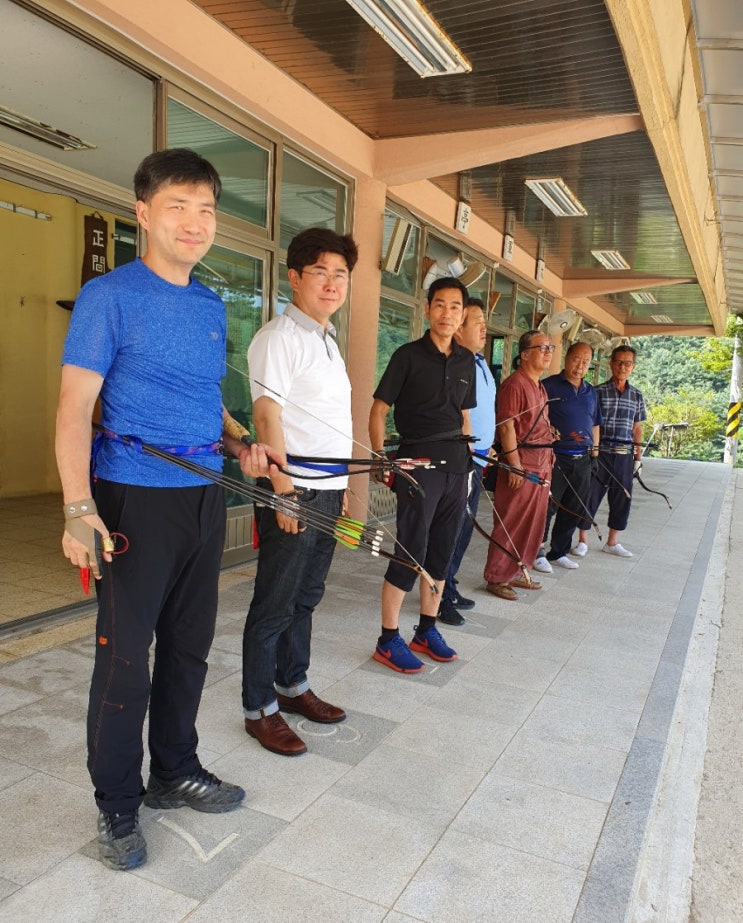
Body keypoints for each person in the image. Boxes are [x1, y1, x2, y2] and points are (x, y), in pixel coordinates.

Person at [55, 149, 277, 872]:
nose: (194, 222)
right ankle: (116, 805)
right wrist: (76, 506)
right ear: (144, 213)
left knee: (189, 645)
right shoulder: (108, 296)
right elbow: (72, 408)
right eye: (178, 206)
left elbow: (202, 398)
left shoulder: (210, 306)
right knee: (125, 662)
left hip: (202, 494)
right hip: (130, 498)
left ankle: (173, 769)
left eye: (206, 209)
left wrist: (242, 443)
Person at [242, 228, 356, 756]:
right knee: (275, 603)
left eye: (341, 274)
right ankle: (258, 707)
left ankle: (293, 685)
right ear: (295, 277)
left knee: (306, 598)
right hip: (295, 492)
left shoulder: (326, 339)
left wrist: (344, 487)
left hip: (327, 490)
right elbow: (267, 413)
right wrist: (283, 490)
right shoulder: (278, 338)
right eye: (321, 272)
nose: (332, 283)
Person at [369, 277, 475, 672]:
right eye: (440, 305)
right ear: (428, 309)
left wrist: (469, 460)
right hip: (418, 466)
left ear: (462, 314)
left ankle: (426, 629)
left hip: (456, 467)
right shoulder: (407, 356)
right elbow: (379, 409)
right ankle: (387, 638)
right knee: (410, 549)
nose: (447, 313)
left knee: (442, 551)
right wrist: (380, 456)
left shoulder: (466, 360)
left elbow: (464, 415)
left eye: (455, 307)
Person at [438, 297, 496, 626]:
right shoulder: (455, 364)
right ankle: (441, 593)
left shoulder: (480, 363)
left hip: (480, 457)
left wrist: (490, 446)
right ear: (459, 329)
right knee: (453, 528)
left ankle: (450, 584)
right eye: (477, 322)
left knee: (465, 527)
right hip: (461, 459)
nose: (484, 328)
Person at [484, 330, 554, 600]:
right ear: (524, 355)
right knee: (511, 522)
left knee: (533, 523)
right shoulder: (515, 384)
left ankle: (516, 571)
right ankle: (496, 576)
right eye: (542, 347)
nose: (548, 352)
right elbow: (506, 425)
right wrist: (513, 464)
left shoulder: (540, 385)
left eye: (550, 347)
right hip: (522, 464)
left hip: (542, 463)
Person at [533, 341, 601, 573]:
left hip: (583, 458)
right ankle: (537, 551)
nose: (580, 366)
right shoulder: (549, 386)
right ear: (566, 358)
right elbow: (536, 418)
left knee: (573, 507)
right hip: (555, 457)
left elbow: (595, 423)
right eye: (576, 359)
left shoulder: (590, 391)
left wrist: (595, 452)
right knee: (547, 506)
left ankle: (559, 551)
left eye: (586, 362)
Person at [575, 344, 646, 557]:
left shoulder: (637, 395)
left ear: (633, 367)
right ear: (611, 364)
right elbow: (589, 424)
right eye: (619, 362)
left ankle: (612, 542)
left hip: (624, 455)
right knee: (590, 495)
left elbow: (637, 429)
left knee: (621, 498)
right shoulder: (597, 392)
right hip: (600, 453)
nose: (623, 367)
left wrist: (638, 459)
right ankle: (582, 540)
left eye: (628, 363)